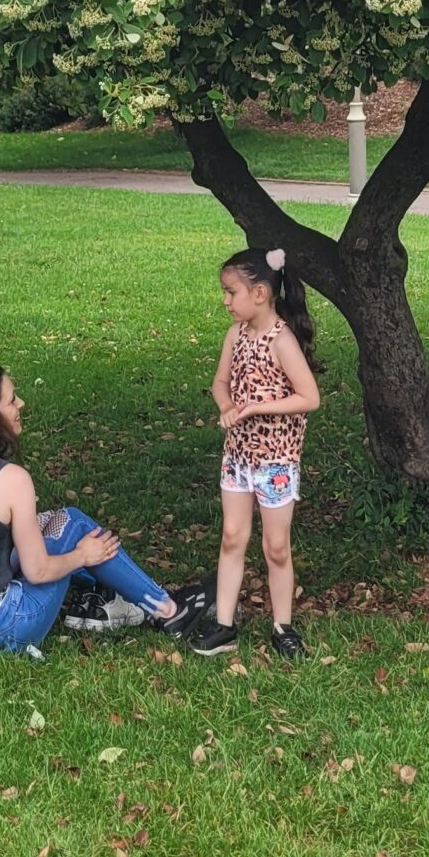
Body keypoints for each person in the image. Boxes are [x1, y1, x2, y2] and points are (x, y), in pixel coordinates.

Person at [0, 363, 182, 657]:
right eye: (12, 400)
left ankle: (126, 596)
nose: (21, 404)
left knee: (50, 523)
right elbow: (37, 572)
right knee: (73, 524)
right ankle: (167, 609)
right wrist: (83, 555)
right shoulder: (11, 479)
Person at [183, 247, 322, 662]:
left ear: (259, 293)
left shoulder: (282, 341)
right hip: (239, 458)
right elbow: (220, 382)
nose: (225, 300)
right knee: (232, 537)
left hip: (276, 461)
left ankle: (283, 627)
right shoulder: (236, 335)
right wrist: (227, 405)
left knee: (276, 547)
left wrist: (259, 407)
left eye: (231, 292)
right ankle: (224, 625)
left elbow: (309, 397)